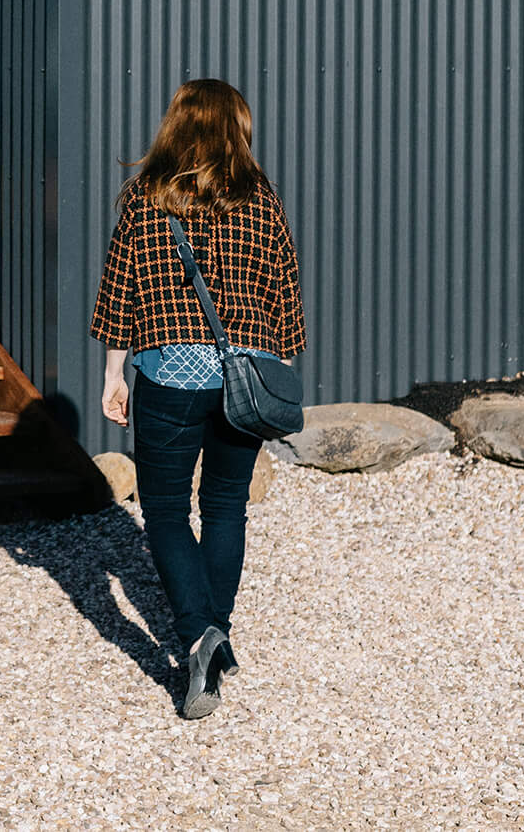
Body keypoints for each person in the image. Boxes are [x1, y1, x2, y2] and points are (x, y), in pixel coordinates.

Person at [90, 78, 304, 721]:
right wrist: (277, 371)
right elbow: (285, 292)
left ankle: (198, 635)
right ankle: (216, 631)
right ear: (237, 128)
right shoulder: (261, 200)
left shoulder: (146, 198)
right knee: (226, 506)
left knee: (162, 509)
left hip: (168, 373)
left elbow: (117, 290)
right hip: (246, 376)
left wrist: (112, 374)